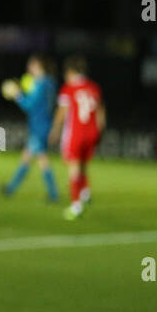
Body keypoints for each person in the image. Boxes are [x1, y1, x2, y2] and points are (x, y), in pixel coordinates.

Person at [49, 56, 105, 220]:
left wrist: (55, 130)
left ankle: (76, 206)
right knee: (83, 164)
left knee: (73, 167)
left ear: (71, 72)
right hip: (92, 131)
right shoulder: (94, 87)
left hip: (76, 133)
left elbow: (62, 112)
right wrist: (100, 131)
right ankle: (85, 192)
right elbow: (101, 112)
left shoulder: (69, 88)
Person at [0, 55, 59, 202]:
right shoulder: (50, 83)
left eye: (32, 65)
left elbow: (29, 105)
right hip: (45, 124)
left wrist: (17, 95)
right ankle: (11, 188)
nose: (29, 68)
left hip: (39, 126)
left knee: (39, 159)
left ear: (39, 66)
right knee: (30, 157)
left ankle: (52, 194)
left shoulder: (40, 84)